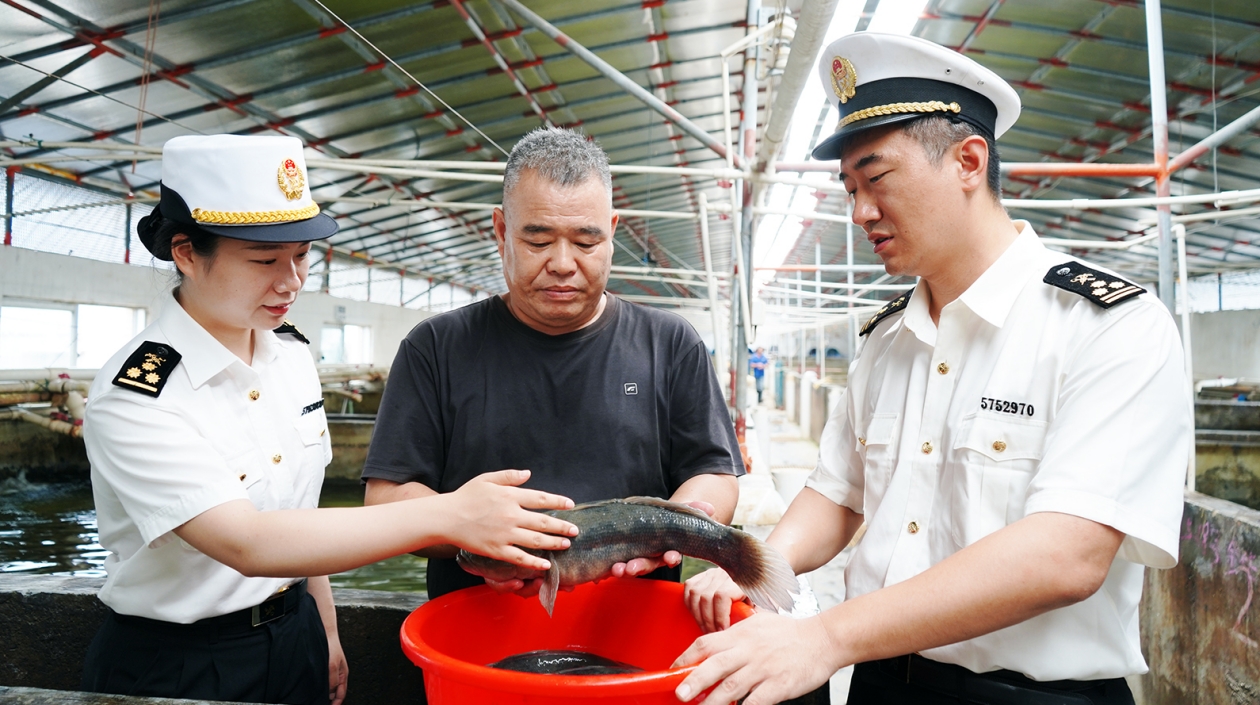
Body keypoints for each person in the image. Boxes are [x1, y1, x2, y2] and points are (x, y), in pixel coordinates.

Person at [673, 33, 1190, 705]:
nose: (860, 211)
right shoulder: (888, 340)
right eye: (850, 187)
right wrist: (757, 566)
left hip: (1034, 694)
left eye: (877, 179)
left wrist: (825, 637)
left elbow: (1066, 554)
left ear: (969, 161)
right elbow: (838, 493)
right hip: (885, 679)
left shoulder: (1106, 324)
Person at [81, 134, 579, 705]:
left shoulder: (288, 355)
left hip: (294, 635)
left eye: (300, 256)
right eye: (265, 260)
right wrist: (450, 513)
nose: (291, 281)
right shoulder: (140, 394)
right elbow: (248, 542)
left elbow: (300, 517)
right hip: (180, 660)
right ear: (187, 253)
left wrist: (325, 631)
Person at [361, 126, 743, 601]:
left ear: (613, 233)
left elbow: (715, 472)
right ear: (501, 230)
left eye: (586, 242)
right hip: (477, 635)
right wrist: (469, 529)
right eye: (538, 241)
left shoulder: (670, 342)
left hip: (635, 629)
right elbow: (386, 498)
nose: (563, 263)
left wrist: (671, 528)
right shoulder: (436, 347)